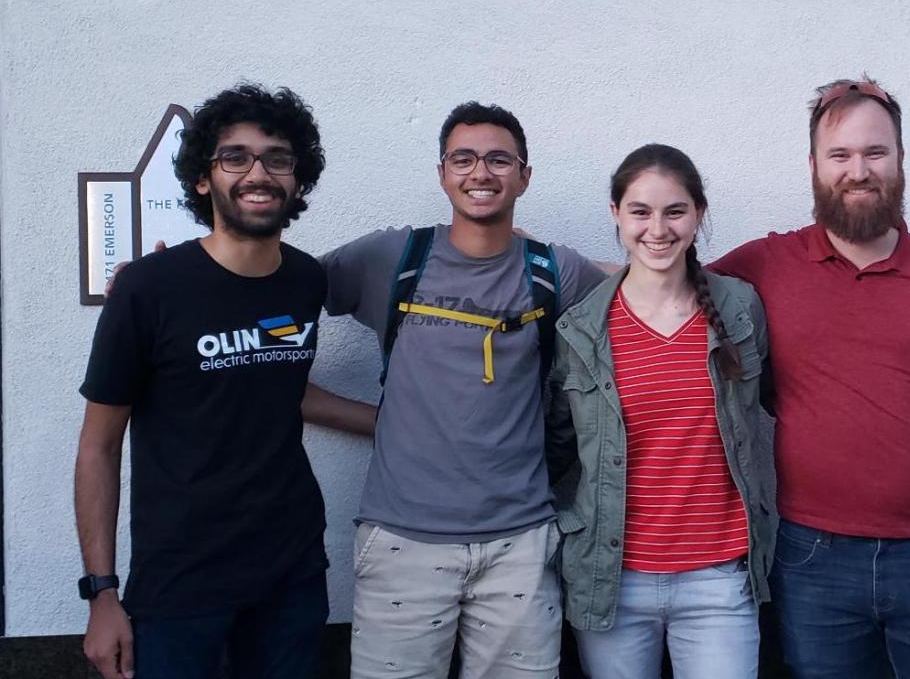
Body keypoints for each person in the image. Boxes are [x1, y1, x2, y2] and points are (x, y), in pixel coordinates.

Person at [710, 77, 910, 678]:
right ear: (814, 167)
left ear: (900, 161)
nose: (860, 170)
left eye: (876, 152)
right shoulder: (766, 264)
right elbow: (663, 284)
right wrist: (537, 259)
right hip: (813, 559)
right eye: (841, 155)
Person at [306, 101, 607, 679]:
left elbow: (641, 293)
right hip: (401, 542)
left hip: (520, 544)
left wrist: (695, 271)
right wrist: (176, 281)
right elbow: (273, 287)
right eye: (463, 158)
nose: (481, 172)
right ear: (442, 172)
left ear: (524, 175)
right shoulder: (394, 257)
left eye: (500, 159)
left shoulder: (555, 271)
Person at [75, 84, 333, 679]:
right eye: (235, 157)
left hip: (291, 575)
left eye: (277, 158)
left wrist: (396, 422)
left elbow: (279, 386)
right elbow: (98, 446)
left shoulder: (306, 281)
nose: (258, 173)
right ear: (201, 178)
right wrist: (102, 593)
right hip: (180, 586)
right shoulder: (148, 288)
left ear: (297, 179)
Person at [551, 144, 774, 679]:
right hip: (612, 579)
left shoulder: (740, 308)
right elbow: (558, 446)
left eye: (674, 211)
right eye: (640, 211)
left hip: (719, 577)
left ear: (698, 213)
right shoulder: (581, 329)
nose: (658, 228)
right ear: (616, 214)